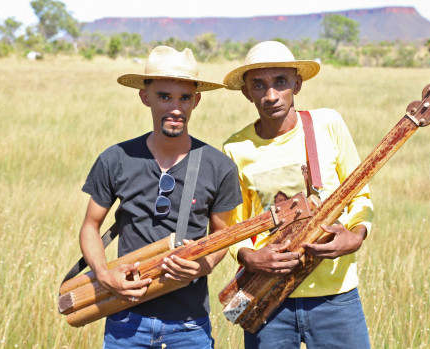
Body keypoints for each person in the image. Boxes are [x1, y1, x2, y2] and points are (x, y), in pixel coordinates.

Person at [79, 46, 242, 348]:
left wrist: (205, 264)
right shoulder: (116, 158)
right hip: (125, 322)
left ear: (197, 100)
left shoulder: (219, 166)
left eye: (184, 98)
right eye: (164, 96)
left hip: (189, 327)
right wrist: (104, 275)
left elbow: (224, 235)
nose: (175, 108)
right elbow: (90, 226)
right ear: (145, 97)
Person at [222, 41, 374, 348]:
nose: (271, 95)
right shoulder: (235, 149)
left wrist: (356, 236)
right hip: (267, 297)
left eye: (281, 82)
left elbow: (360, 196)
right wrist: (250, 256)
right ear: (246, 92)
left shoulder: (328, 125)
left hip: (335, 298)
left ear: (297, 84)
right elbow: (232, 227)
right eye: (259, 85)